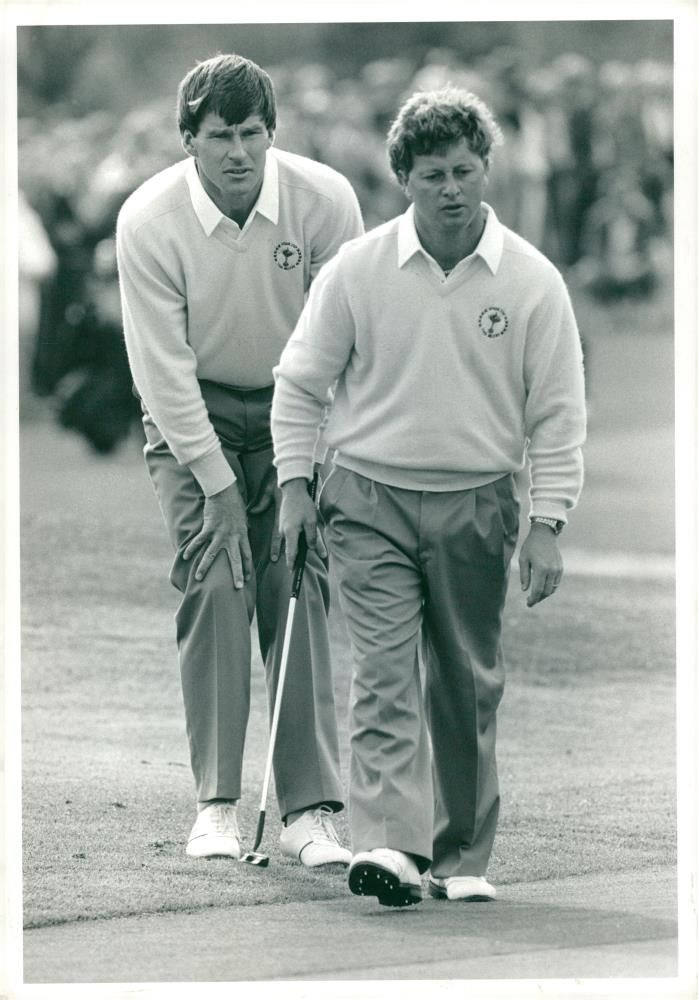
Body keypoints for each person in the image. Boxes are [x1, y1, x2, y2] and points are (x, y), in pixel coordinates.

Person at [271, 88, 586, 906]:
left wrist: (547, 524)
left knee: (465, 678)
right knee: (382, 674)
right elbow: (301, 386)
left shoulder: (532, 280)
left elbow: (557, 414)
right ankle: (390, 847)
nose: (451, 188)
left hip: (478, 502)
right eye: (433, 174)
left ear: (487, 172)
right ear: (402, 178)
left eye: (466, 171)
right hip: (365, 498)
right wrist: (296, 487)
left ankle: (460, 855)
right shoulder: (358, 269)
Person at [116, 54, 364, 864]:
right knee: (217, 576)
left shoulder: (325, 202)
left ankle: (310, 813)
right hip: (195, 417)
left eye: (252, 133)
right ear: (187, 138)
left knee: (296, 579)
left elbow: (345, 352)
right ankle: (217, 804)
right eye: (219, 135)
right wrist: (219, 487)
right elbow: (162, 371)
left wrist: (303, 473)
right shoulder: (149, 220)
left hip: (300, 406)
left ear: (272, 132)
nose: (237, 153)